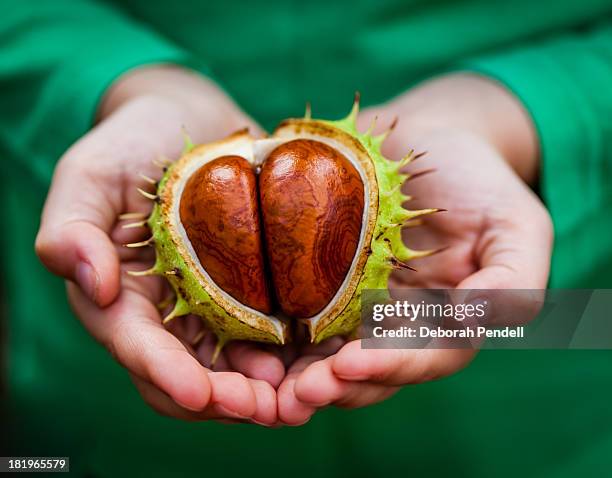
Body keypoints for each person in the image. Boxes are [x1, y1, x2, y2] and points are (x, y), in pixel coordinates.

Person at [1, 0, 611, 475]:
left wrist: (518, 113)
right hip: (109, 398)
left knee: (516, 327)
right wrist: (110, 82)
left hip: (557, 346)